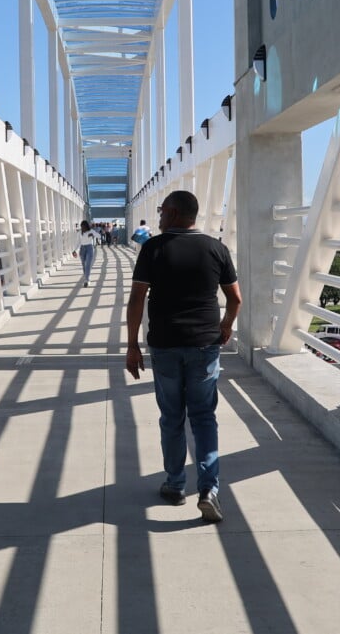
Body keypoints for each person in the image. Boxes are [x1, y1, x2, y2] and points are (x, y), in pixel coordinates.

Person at [125, 190, 241, 523]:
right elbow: (235, 299)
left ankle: (175, 485)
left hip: (165, 344)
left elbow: (136, 300)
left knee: (171, 417)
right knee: (204, 417)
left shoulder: (153, 249)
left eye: (162, 211)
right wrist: (225, 327)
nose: (158, 216)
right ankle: (208, 490)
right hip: (205, 344)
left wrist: (132, 345)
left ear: (174, 213)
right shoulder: (216, 248)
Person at [76, 220, 100, 287]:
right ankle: (86, 278)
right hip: (82, 249)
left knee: (88, 264)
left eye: (84, 227)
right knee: (84, 265)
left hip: (89, 248)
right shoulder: (79, 233)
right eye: (82, 227)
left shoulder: (91, 231)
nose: (83, 229)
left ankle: (87, 280)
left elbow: (99, 236)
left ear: (87, 227)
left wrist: (93, 234)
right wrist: (75, 251)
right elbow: (78, 243)